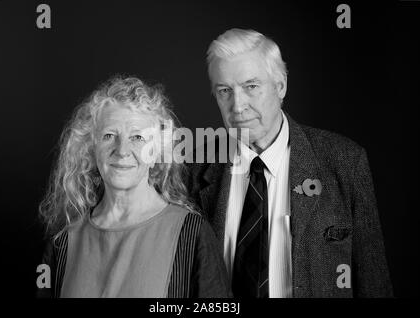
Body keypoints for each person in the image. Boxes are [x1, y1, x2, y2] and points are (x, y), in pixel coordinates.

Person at [184, 28, 393, 297]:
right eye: (225, 90)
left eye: (251, 86)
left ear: (280, 85)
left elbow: (374, 281)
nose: (237, 106)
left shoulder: (345, 162)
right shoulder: (192, 170)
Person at [37, 76, 230, 298]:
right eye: (109, 136)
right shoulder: (63, 243)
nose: (122, 150)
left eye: (138, 137)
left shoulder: (192, 234)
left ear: (157, 151)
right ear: (90, 147)